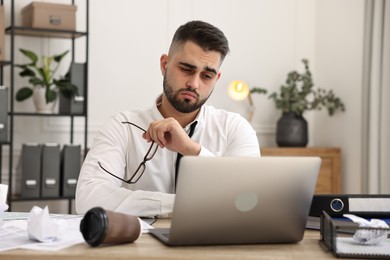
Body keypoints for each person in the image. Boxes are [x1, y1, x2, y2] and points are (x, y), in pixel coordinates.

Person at [75, 20, 260, 218]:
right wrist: (182, 205)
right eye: (186, 69)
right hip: (137, 247)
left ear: (217, 78)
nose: (194, 84)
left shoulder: (235, 128)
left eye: (206, 76)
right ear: (164, 64)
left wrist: (192, 150)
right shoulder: (122, 127)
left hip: (213, 247)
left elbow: (249, 201)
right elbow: (88, 198)